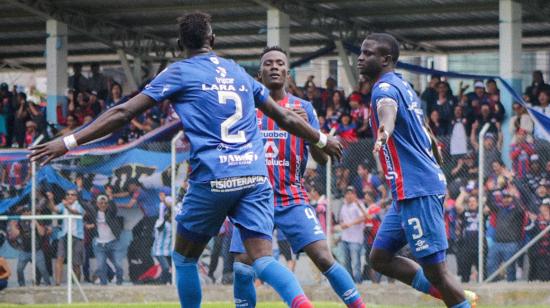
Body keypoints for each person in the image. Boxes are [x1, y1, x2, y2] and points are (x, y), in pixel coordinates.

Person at [29, 12, 342, 308]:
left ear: (180, 45)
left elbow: (124, 112)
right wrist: (323, 138)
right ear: (214, 40)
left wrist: (68, 141)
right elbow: (284, 115)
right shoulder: (237, 71)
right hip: (255, 178)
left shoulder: (179, 71)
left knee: (184, 258)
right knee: (263, 259)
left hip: (215, 176)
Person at [230, 46, 365, 308]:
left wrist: (308, 131)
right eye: (268, 63)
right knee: (242, 267)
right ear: (260, 73)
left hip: (292, 197)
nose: (274, 67)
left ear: (288, 73)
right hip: (253, 200)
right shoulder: (246, 108)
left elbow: (324, 158)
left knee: (324, 257)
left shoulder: (303, 108)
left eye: (280, 63)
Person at [357, 33, 476, 308]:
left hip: (417, 189)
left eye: (368, 53)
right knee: (380, 258)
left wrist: (385, 129)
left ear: (386, 59)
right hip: (408, 189)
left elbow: (388, 109)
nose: (360, 58)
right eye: (361, 52)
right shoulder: (404, 85)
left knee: (437, 272)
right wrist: (433, 153)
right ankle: (450, 296)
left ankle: (457, 299)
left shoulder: (384, 89)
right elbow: (426, 131)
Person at [46, 189, 85, 285]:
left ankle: (76, 284)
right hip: (64, 235)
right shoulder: (63, 205)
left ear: (76, 197)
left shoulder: (79, 205)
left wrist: (66, 206)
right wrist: (51, 199)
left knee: (76, 263)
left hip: (77, 236)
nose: (70, 196)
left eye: (72, 194)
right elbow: (54, 209)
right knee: (59, 258)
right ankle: (57, 284)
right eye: (67, 194)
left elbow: (76, 212)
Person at [86, 194, 123, 285]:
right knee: (101, 265)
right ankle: (103, 284)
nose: (103, 205)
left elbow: (114, 208)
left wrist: (111, 199)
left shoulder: (111, 213)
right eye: (101, 203)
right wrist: (89, 225)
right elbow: (86, 221)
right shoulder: (93, 214)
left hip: (112, 243)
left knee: (118, 264)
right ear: (97, 204)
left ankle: (119, 281)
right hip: (99, 244)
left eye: (105, 203)